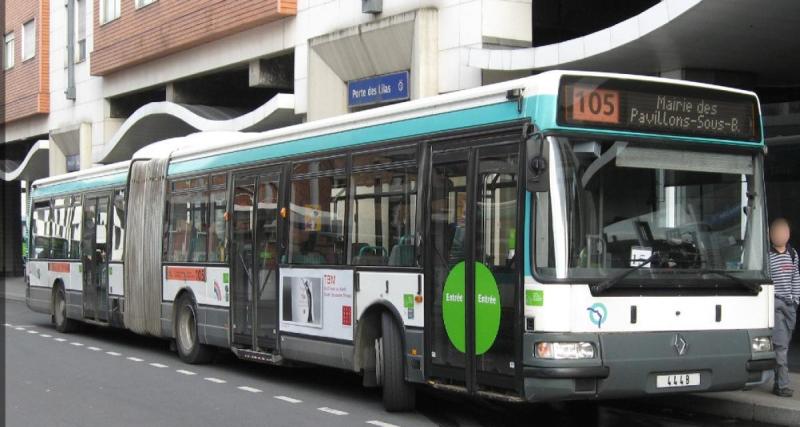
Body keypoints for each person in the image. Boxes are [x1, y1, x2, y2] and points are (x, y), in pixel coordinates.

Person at [768, 217, 800, 397]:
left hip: (790, 306)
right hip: (775, 304)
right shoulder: (767, 255)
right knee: (781, 347)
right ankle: (782, 385)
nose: (779, 234)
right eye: (776, 231)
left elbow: (796, 278)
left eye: (783, 231)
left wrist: (796, 300)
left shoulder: (793, 254)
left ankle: (777, 382)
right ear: (770, 234)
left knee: (783, 345)